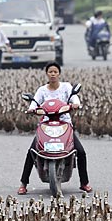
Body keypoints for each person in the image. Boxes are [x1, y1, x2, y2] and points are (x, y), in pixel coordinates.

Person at [18, 62, 92, 195]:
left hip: (64, 124)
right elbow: (34, 103)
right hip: (46, 124)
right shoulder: (42, 90)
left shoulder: (66, 87)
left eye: (55, 72)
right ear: (47, 74)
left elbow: (75, 99)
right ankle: (23, 183)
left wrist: (75, 104)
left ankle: (84, 183)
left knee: (80, 152)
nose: (53, 74)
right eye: (50, 72)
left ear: (59, 74)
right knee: (31, 152)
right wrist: (31, 110)